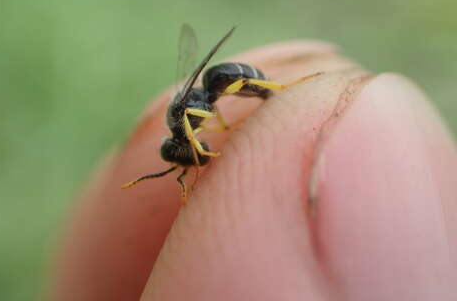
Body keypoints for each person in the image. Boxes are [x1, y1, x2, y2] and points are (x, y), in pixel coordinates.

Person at [50, 41, 457, 300]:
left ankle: (293, 85)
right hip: (219, 91)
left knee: (236, 92)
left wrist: (217, 135)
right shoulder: (187, 124)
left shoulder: (188, 117)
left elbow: (200, 118)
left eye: (184, 154)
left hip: (231, 78)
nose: (188, 156)